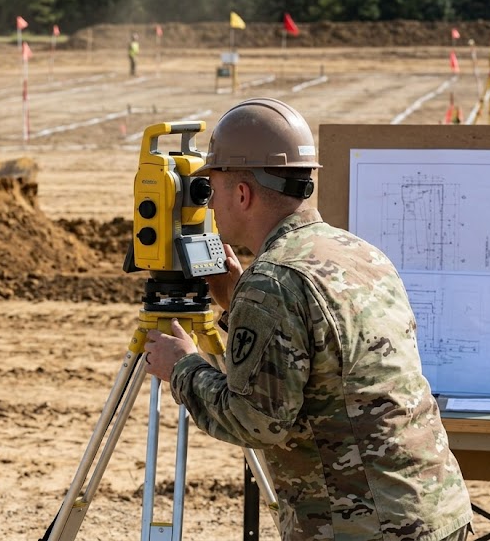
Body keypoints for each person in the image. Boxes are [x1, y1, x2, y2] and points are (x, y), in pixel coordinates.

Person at [143, 98, 472, 541]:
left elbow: (254, 420)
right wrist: (240, 297)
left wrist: (181, 366)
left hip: (363, 526)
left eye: (214, 189)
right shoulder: (358, 253)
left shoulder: (274, 281)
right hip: (433, 510)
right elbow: (323, 354)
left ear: (243, 194)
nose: (211, 205)